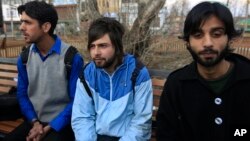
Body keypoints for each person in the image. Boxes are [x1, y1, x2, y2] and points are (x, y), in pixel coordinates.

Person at [156, 1, 250, 141]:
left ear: (229, 38)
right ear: (188, 42)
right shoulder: (176, 84)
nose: (207, 43)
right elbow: (166, 134)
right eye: (198, 35)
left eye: (216, 34)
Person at [3, 1, 83, 141]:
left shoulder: (71, 58)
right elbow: (22, 95)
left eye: (28, 23)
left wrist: (50, 126)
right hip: (34, 122)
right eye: (22, 22)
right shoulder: (24, 58)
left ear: (46, 27)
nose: (21, 27)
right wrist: (35, 122)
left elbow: (76, 101)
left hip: (62, 124)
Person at [71, 17, 153, 141]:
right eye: (92, 46)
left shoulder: (137, 72)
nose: (96, 52)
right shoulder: (87, 73)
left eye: (103, 46)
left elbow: (141, 122)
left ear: (117, 46)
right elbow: (82, 117)